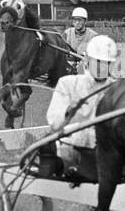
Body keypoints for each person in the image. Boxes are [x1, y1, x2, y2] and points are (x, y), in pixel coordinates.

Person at [46, 34, 118, 172]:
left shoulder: (116, 89)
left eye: (106, 63)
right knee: (65, 155)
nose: (102, 67)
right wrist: (68, 111)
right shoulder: (68, 84)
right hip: (71, 146)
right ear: (87, 60)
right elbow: (54, 122)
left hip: (105, 150)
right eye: (98, 62)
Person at [63, 7, 91, 72]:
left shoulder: (92, 35)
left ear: (85, 21)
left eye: (80, 20)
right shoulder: (67, 33)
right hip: (69, 66)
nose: (77, 22)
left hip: (86, 67)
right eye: (75, 20)